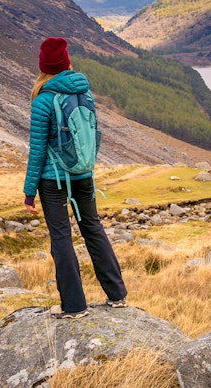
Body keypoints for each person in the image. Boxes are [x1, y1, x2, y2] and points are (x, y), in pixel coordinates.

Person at [23, 36, 127, 319]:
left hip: (53, 179)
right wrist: (87, 167)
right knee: (93, 228)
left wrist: (29, 192)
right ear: (67, 62)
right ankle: (117, 295)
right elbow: (92, 137)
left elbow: (37, 151)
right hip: (83, 174)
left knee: (61, 238)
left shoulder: (43, 99)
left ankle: (74, 306)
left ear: (43, 66)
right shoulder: (85, 93)